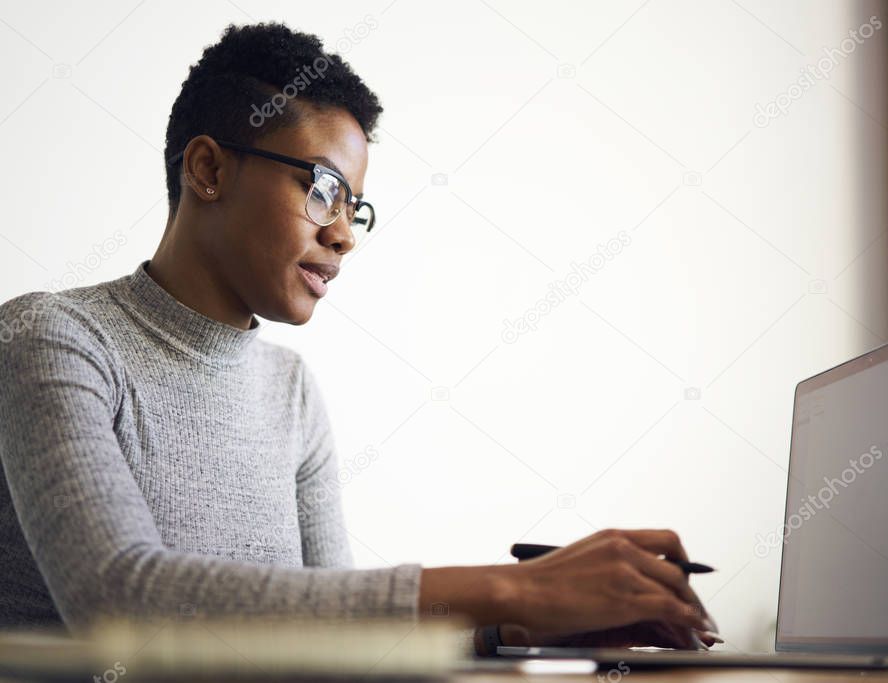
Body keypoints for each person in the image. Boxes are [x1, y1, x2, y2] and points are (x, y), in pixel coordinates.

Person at [0, 22, 716, 655]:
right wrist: (516, 588)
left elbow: (336, 627)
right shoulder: (51, 339)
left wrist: (524, 628)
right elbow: (121, 602)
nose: (343, 233)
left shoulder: (291, 392)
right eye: (322, 188)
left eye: (355, 206)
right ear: (209, 169)